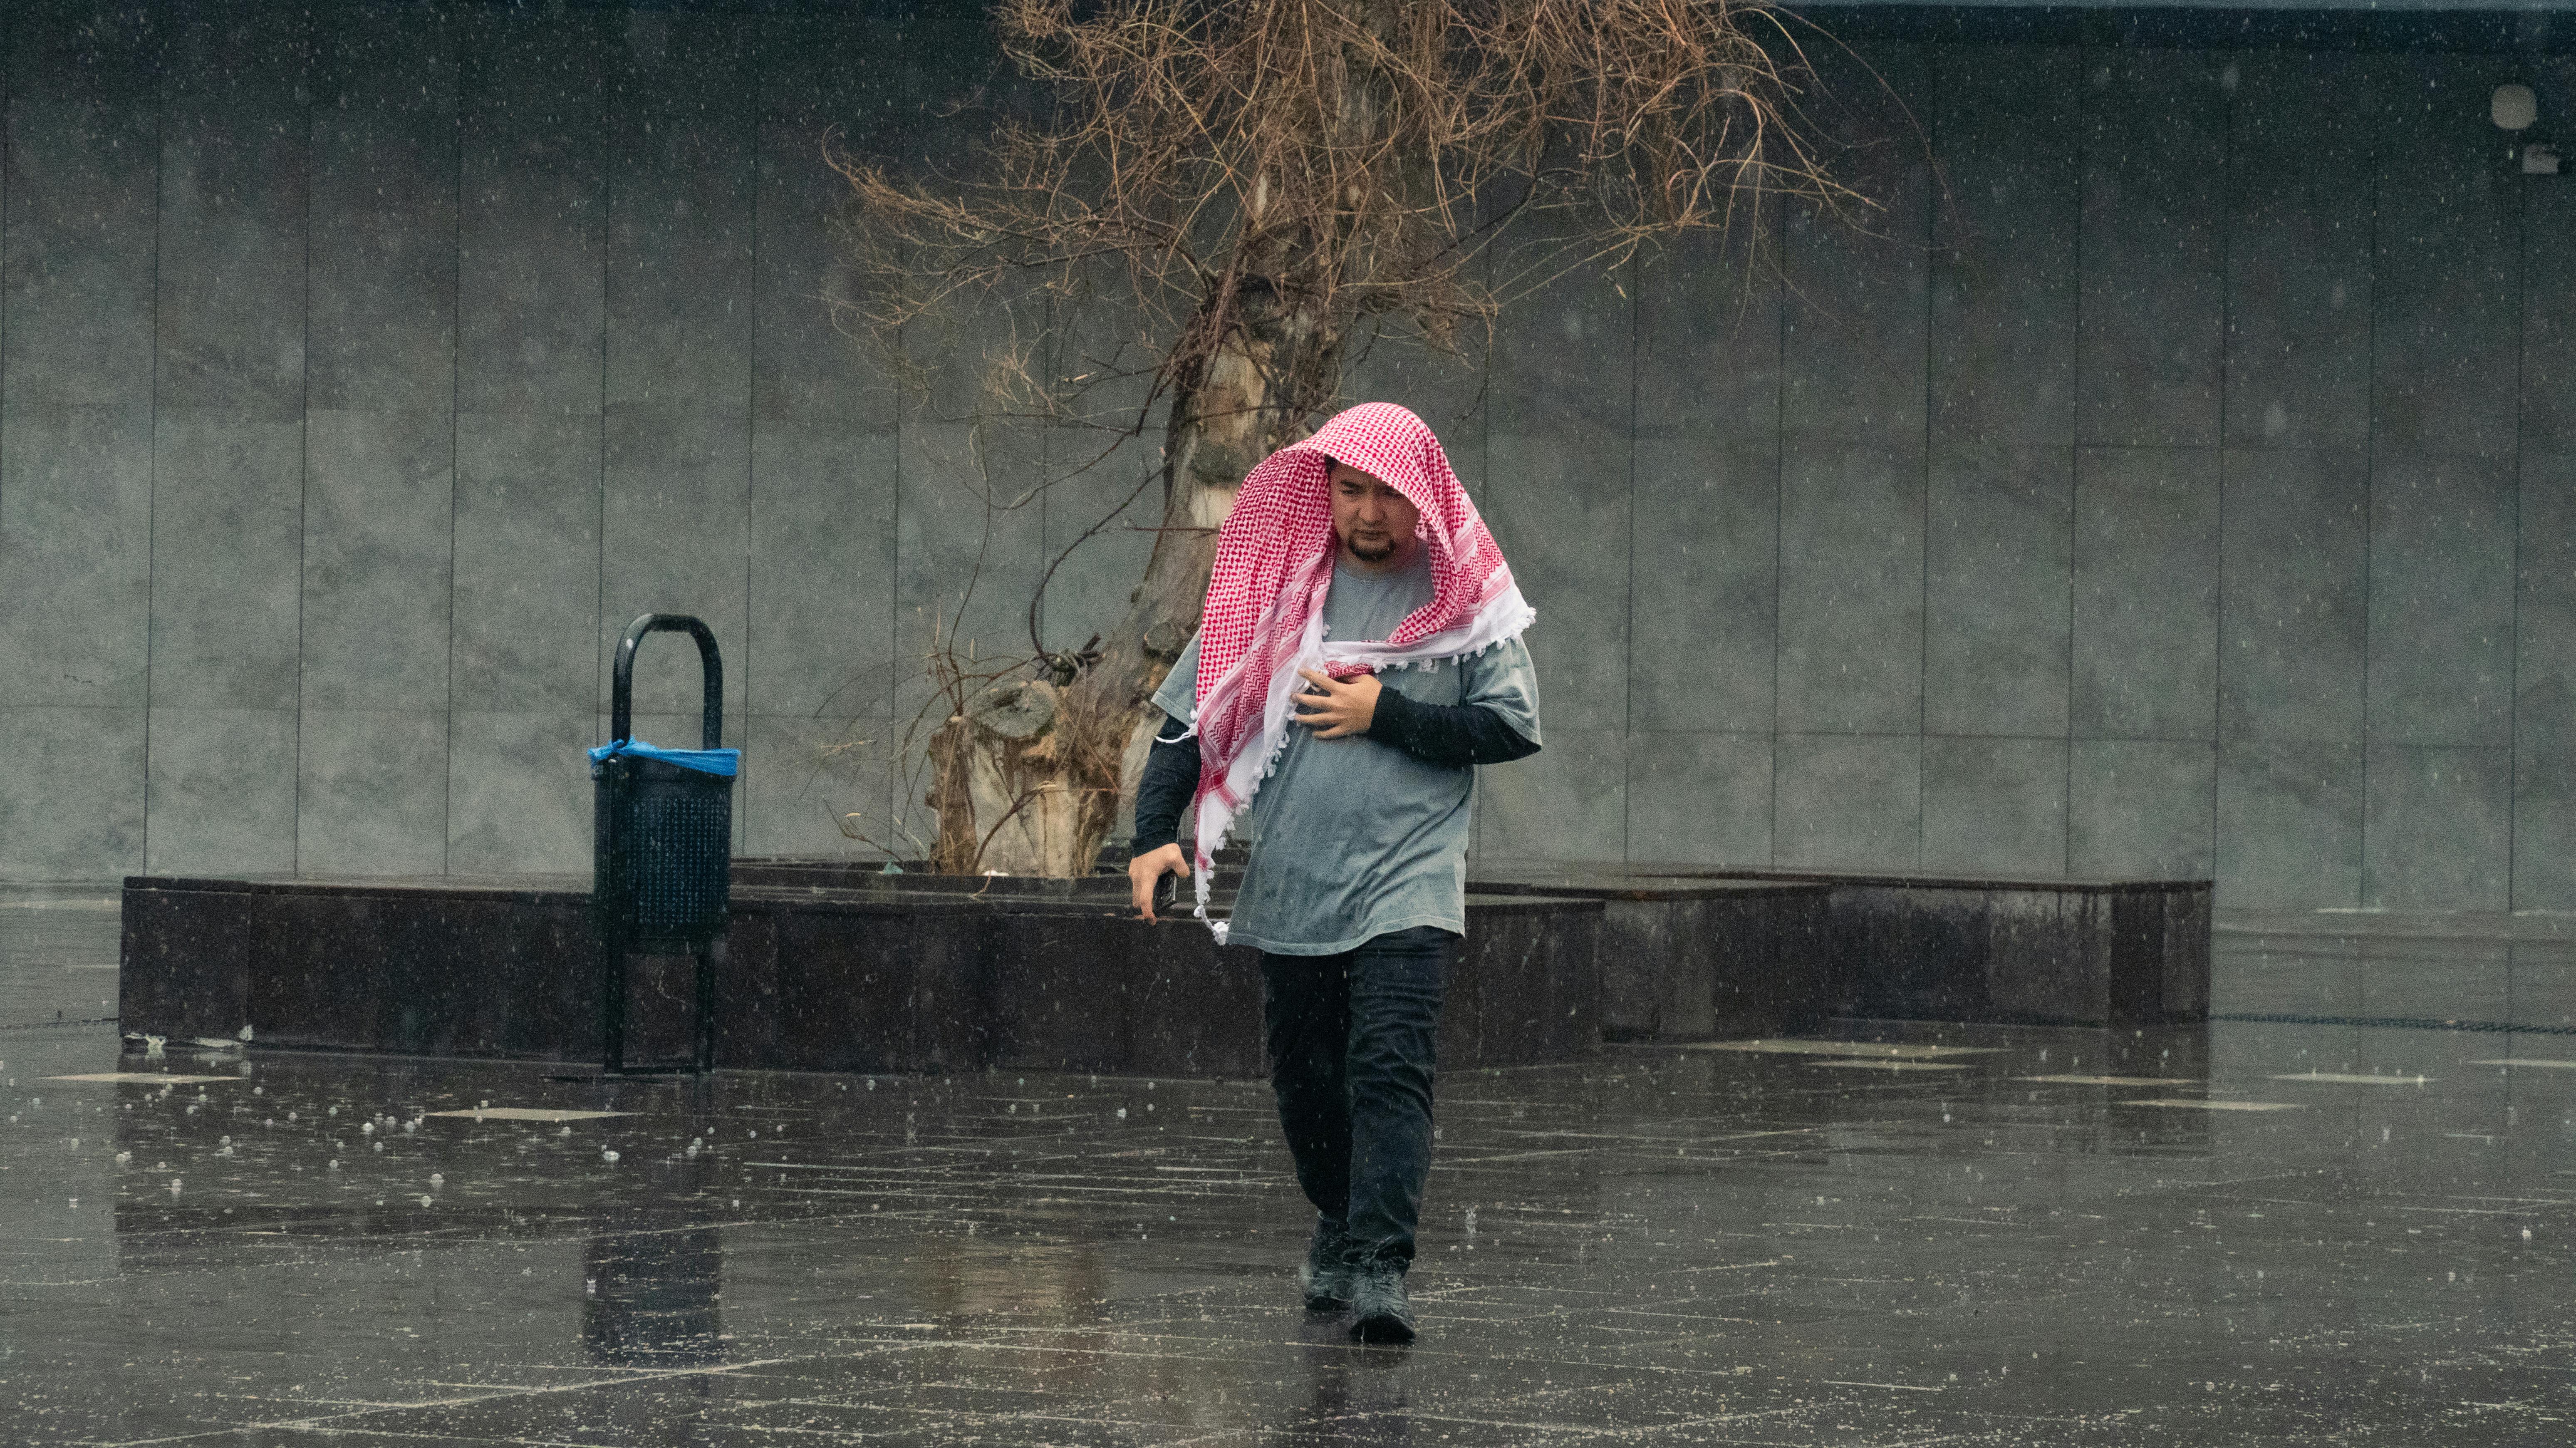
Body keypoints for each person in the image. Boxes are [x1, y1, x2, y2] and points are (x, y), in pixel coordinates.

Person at [1126, 402, 1543, 1344]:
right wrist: (1155, 831)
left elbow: (1510, 726)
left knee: (1390, 1072)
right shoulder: (1281, 588)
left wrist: (1384, 713)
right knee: (1307, 1086)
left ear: (1422, 498)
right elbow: (1190, 718)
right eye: (1350, 490)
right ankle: (1339, 1218)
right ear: (1323, 492)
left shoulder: (1465, 599)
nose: (1368, 513)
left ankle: (1383, 1269)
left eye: (1388, 494)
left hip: (1409, 884)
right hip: (1294, 888)